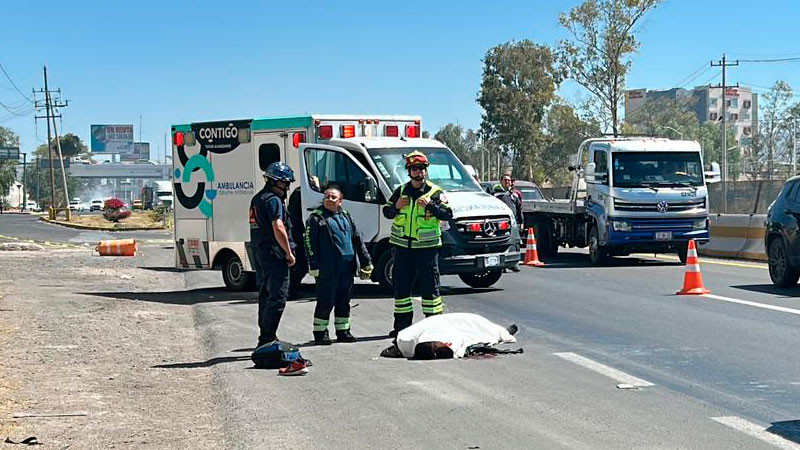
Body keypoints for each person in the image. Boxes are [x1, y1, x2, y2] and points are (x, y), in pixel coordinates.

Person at [382, 151, 453, 336]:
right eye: (414, 169)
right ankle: (402, 328)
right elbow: (387, 212)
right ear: (408, 171)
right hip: (402, 247)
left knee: (430, 289)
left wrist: (430, 205)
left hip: (427, 248)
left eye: (421, 168)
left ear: (426, 171)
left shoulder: (435, 192)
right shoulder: (401, 191)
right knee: (402, 289)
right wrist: (396, 206)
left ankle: (434, 328)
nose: (418, 172)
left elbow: (448, 214)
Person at [305, 186, 373, 345]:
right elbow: (309, 242)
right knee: (325, 301)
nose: (329, 199)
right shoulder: (316, 218)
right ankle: (320, 333)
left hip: (346, 268)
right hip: (327, 268)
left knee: (344, 300)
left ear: (340, 201)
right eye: (327, 196)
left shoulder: (346, 216)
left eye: (333, 197)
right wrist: (313, 264)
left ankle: (343, 331)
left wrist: (366, 261)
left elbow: (357, 240)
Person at [249, 162, 296, 347]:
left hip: (260, 252)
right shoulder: (273, 200)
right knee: (278, 296)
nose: (287, 188)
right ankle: (267, 338)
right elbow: (278, 227)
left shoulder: (258, 199)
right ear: (274, 182)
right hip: (273, 254)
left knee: (265, 295)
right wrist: (289, 252)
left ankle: (267, 335)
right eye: (284, 184)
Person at [381, 312, 518, 359]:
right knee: (486, 331)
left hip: (452, 321)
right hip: (463, 323)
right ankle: (503, 332)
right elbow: (465, 340)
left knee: (483, 328)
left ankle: (503, 332)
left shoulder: (407, 340)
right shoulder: (451, 339)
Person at [493, 173, 522, 272]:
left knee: (514, 243)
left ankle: (513, 264)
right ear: (501, 181)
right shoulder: (496, 195)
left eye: (509, 180)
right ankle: (502, 265)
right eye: (505, 180)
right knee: (502, 244)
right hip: (501, 224)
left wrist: (521, 222)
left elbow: (519, 209)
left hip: (513, 223)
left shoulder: (514, 195)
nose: (507, 182)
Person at [287, 187, 308, 299]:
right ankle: (290, 290)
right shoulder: (300, 192)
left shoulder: (300, 191)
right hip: (296, 235)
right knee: (300, 264)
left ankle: (291, 289)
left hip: (297, 234)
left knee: (301, 265)